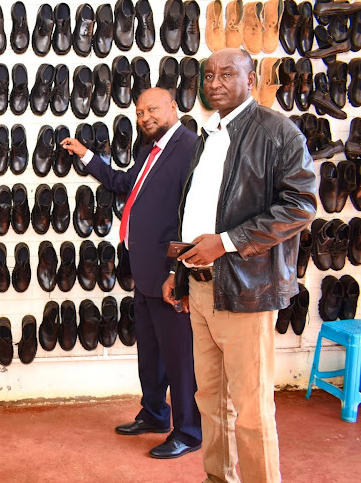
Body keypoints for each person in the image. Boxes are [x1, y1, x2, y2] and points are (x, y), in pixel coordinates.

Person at [162, 48, 317, 482]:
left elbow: (301, 205)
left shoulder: (276, 132)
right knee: (210, 401)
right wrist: (181, 273)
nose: (214, 83)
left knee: (250, 409)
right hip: (202, 286)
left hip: (246, 289)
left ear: (252, 79)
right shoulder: (208, 134)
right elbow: (196, 213)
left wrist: (227, 243)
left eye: (227, 74)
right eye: (209, 75)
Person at [61, 87, 201, 459]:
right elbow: (124, 185)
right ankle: (155, 413)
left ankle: (188, 431)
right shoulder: (148, 150)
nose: (144, 118)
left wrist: (178, 270)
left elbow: (194, 213)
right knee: (151, 353)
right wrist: (86, 155)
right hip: (143, 268)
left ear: (174, 107)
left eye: (152, 109)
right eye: (139, 112)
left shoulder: (191, 149)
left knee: (179, 358)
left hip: (169, 273)